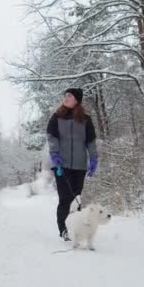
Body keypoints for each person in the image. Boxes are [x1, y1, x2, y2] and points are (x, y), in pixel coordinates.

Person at [46, 88, 98, 241]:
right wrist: (54, 154)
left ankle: (77, 228)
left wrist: (93, 159)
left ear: (77, 100)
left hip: (79, 165)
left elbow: (91, 142)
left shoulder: (86, 119)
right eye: (65, 95)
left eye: (69, 95)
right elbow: (51, 137)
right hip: (61, 164)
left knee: (76, 198)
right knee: (64, 199)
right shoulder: (57, 117)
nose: (66, 97)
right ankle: (63, 230)